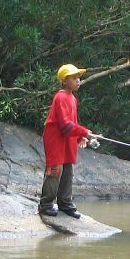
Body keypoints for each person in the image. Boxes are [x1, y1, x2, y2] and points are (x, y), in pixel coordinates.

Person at [38, 64, 101, 218]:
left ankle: (65, 203)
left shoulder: (72, 98)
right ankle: (45, 205)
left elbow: (73, 121)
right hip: (55, 137)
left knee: (68, 170)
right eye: (74, 78)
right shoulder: (60, 97)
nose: (78, 81)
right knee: (55, 170)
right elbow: (65, 124)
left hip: (67, 138)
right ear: (64, 81)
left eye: (78, 78)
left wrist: (82, 137)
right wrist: (85, 132)